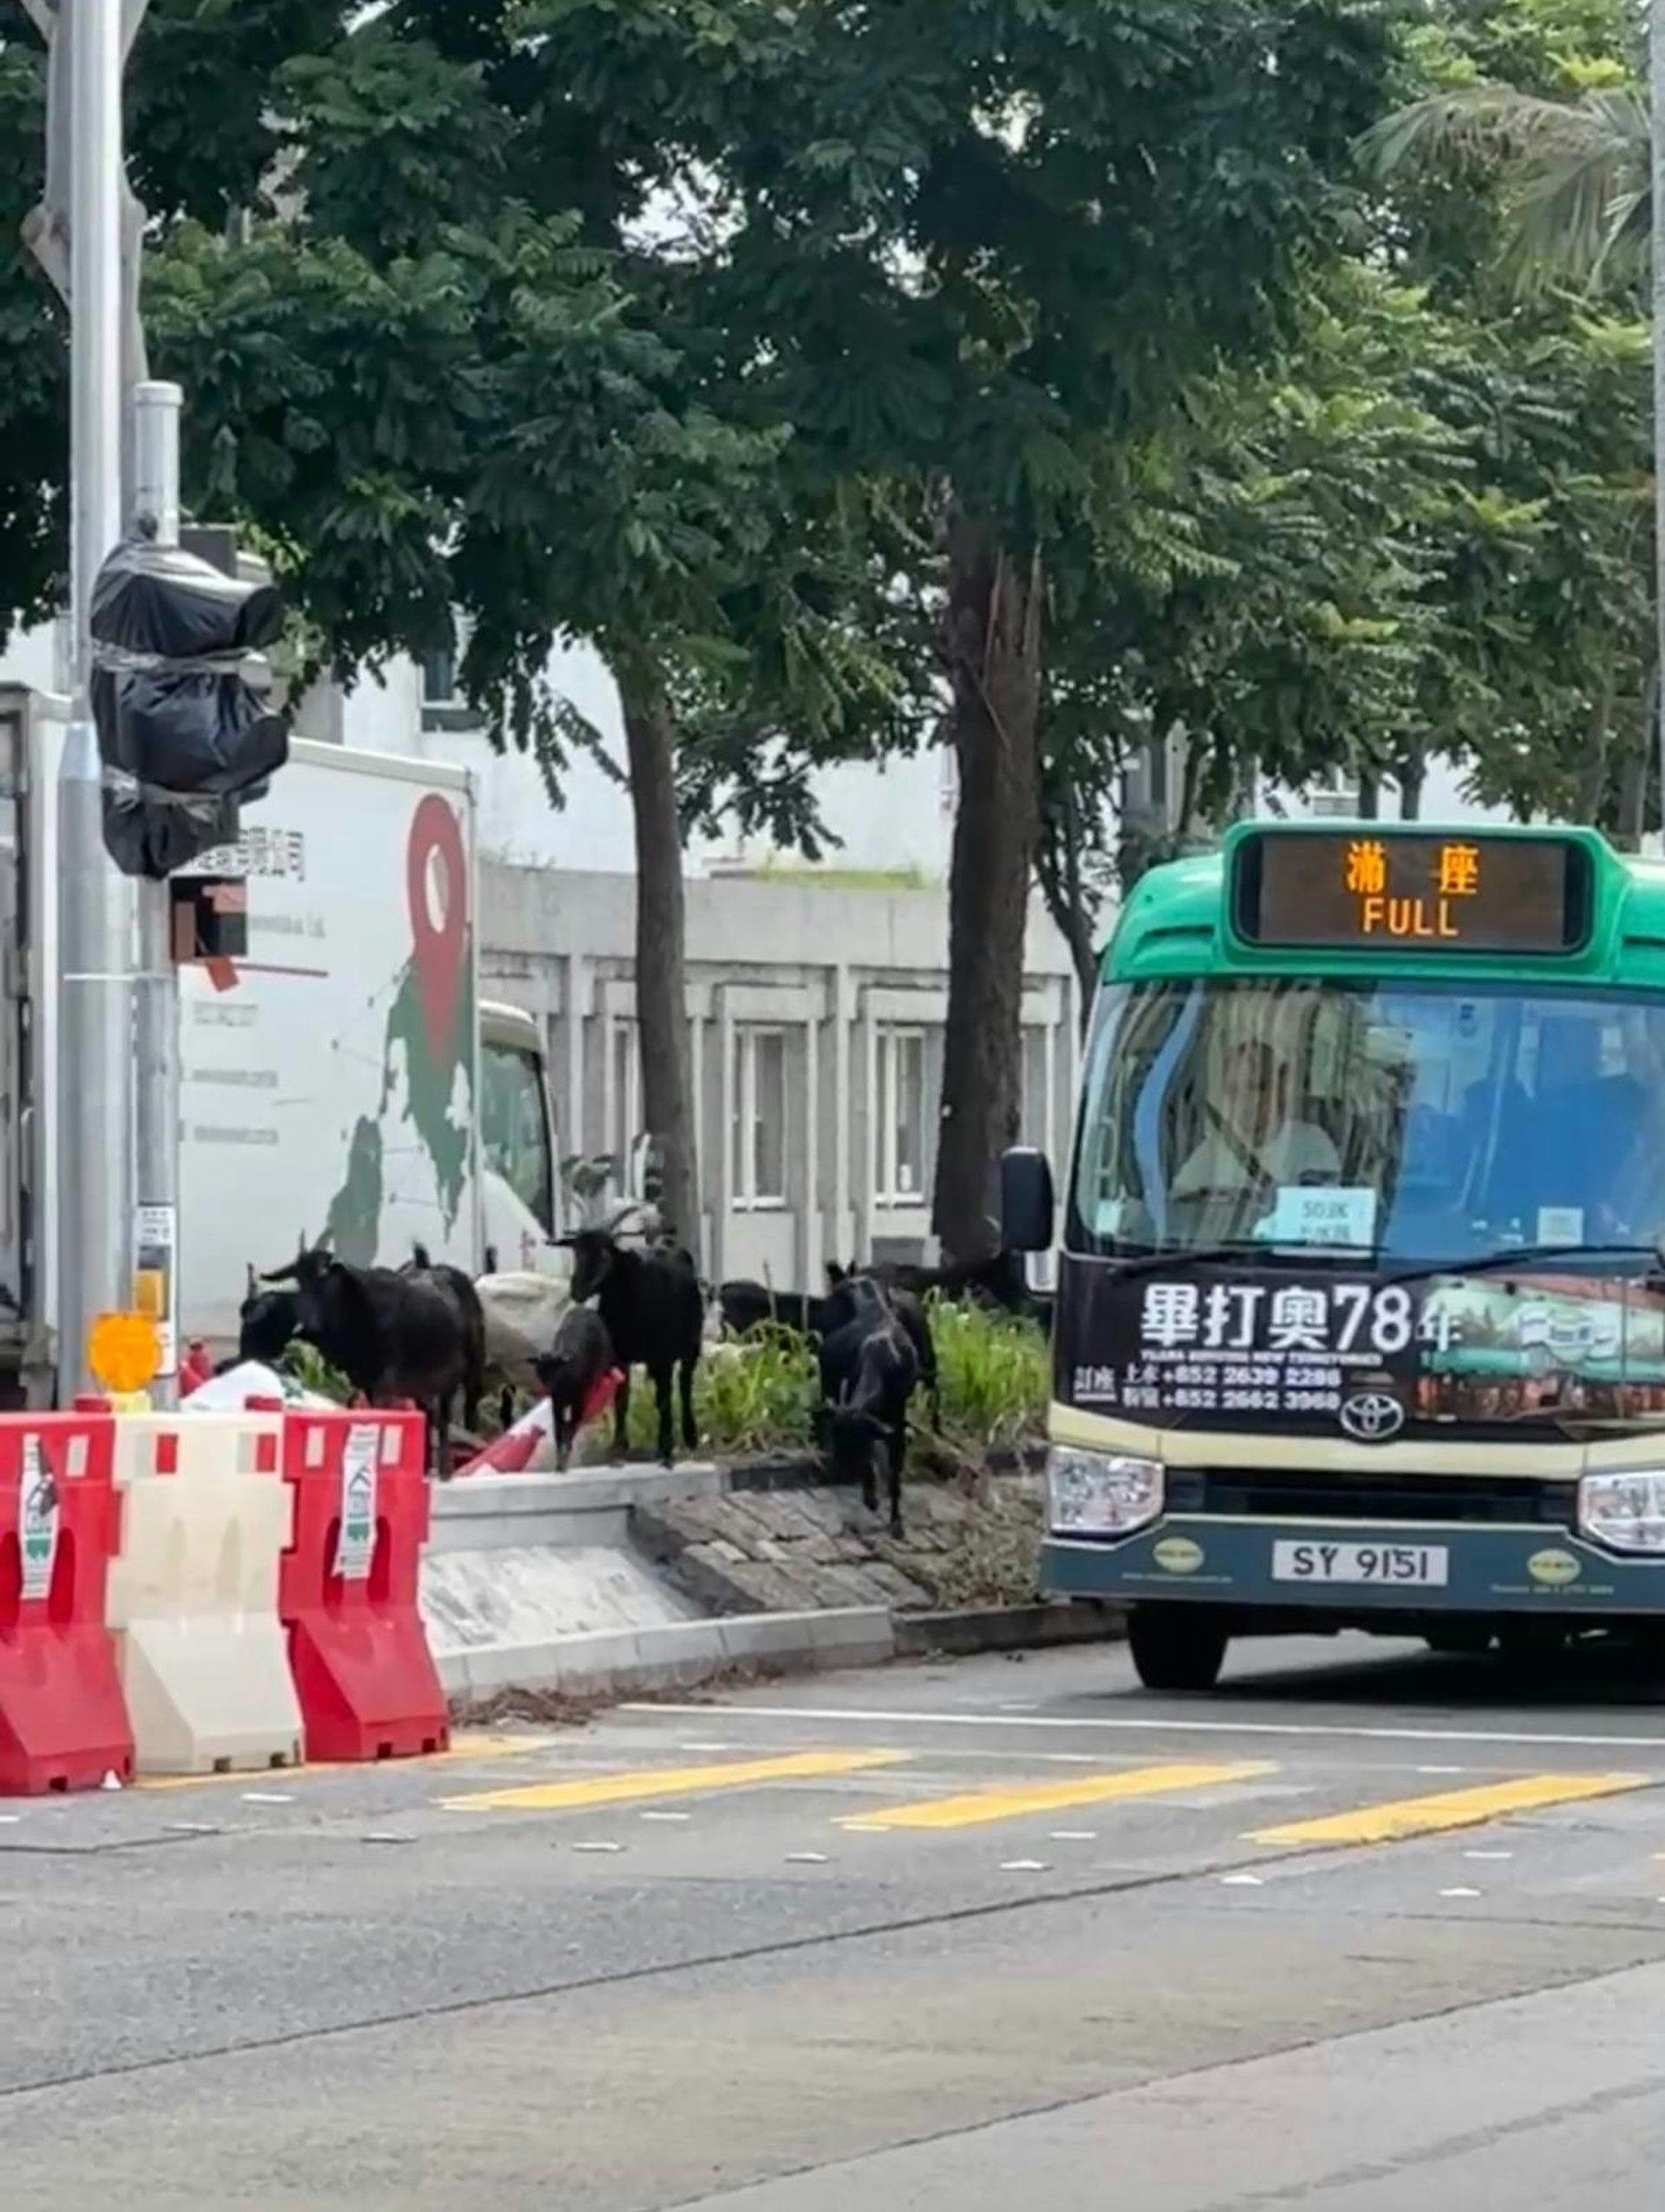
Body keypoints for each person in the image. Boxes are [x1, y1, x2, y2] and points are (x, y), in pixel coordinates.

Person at [1171, 1037, 1339, 1204]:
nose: (1244, 1101)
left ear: (1276, 1090)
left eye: (1255, 1087)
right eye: (1233, 1090)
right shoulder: (1214, 1148)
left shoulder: (1312, 1144)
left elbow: (1325, 1208)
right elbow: (1178, 1200)